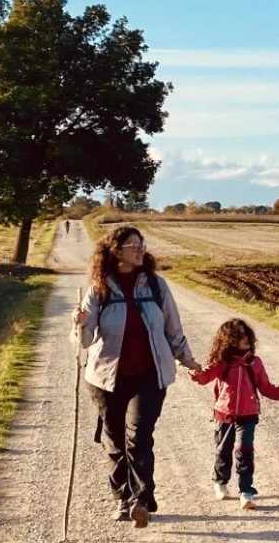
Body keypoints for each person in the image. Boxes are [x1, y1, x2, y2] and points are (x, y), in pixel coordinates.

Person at [71, 226, 201, 528]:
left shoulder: (156, 286)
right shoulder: (99, 290)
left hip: (148, 376)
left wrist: (187, 359)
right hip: (106, 379)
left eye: (142, 245)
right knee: (115, 441)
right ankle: (122, 498)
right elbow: (84, 340)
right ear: (116, 251)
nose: (141, 250)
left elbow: (173, 328)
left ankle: (142, 500)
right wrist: (78, 323)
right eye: (134, 246)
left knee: (139, 436)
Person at [189, 318, 279, 510]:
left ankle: (246, 491)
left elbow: (266, 388)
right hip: (223, 414)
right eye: (240, 336)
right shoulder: (222, 363)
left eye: (247, 334)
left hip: (248, 415)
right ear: (230, 340)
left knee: (244, 451)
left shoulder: (255, 363)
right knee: (223, 451)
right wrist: (195, 373)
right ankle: (220, 481)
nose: (246, 339)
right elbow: (205, 377)